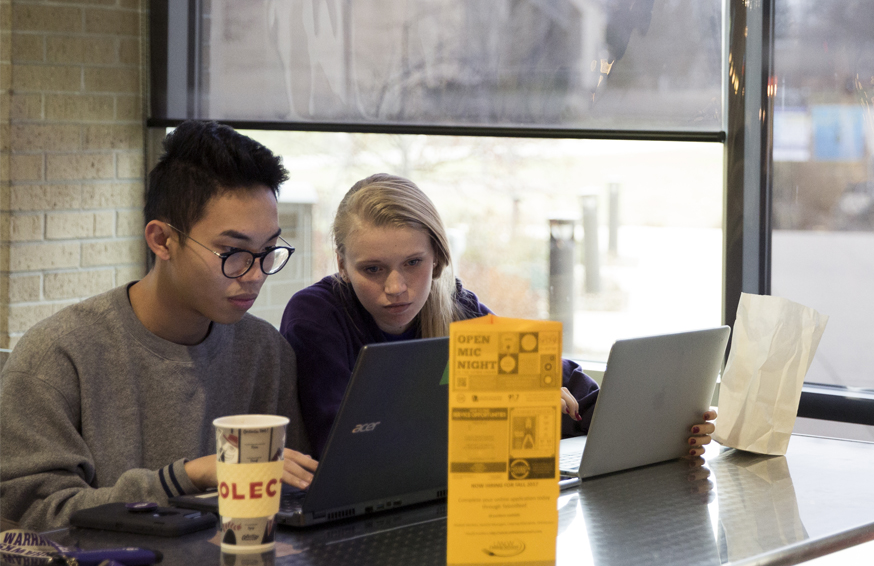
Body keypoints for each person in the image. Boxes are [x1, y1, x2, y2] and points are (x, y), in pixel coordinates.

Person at [0, 121, 318, 531]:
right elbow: (34, 514)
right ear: (162, 240)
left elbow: (292, 495)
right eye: (234, 252)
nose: (255, 274)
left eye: (268, 250)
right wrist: (185, 478)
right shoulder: (58, 354)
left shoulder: (265, 350)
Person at [280, 173, 716, 458]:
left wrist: (671, 429)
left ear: (438, 257)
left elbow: (578, 394)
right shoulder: (315, 317)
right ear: (341, 263)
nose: (396, 287)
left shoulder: (456, 308)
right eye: (372, 269)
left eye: (414, 263)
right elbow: (349, 450)